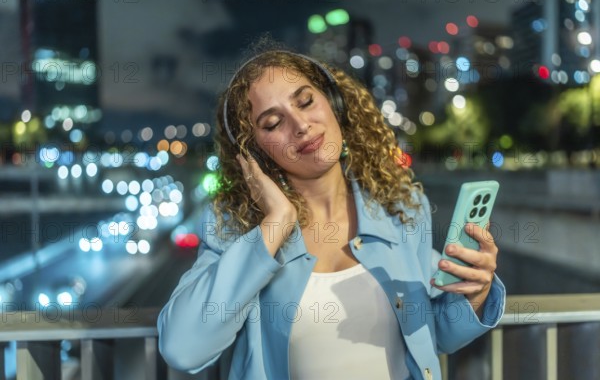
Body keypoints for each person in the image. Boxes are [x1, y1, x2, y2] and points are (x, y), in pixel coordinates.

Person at [157, 46, 506, 380]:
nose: (300, 125)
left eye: (306, 101)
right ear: (256, 154)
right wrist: (276, 222)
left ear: (334, 103)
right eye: (273, 122)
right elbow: (184, 349)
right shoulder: (238, 230)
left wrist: (473, 296)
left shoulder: (400, 210)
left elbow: (432, 334)